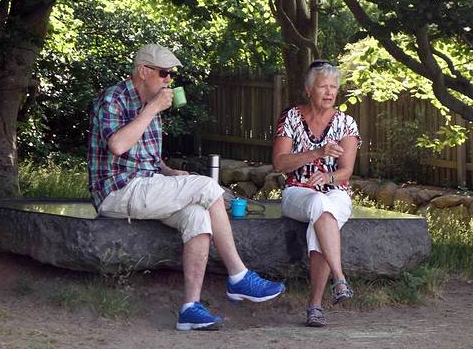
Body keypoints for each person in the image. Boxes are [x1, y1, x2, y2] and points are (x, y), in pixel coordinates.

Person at [88, 43, 285, 331]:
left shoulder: (150, 104)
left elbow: (148, 157)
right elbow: (118, 145)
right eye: (164, 73)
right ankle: (239, 275)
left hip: (147, 184)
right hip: (117, 191)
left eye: (171, 74)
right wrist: (152, 109)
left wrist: (169, 172)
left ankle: (190, 308)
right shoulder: (113, 99)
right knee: (206, 186)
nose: (169, 80)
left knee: (198, 216)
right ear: (143, 71)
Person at [272, 60, 361, 327]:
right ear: (308, 89)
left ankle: (315, 307)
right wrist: (317, 153)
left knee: (323, 213)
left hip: (336, 192)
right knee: (319, 203)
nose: (329, 92)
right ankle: (339, 278)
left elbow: (346, 171)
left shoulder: (346, 123)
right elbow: (279, 164)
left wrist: (328, 177)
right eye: (323, 86)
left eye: (333, 87)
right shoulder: (290, 117)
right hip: (297, 192)